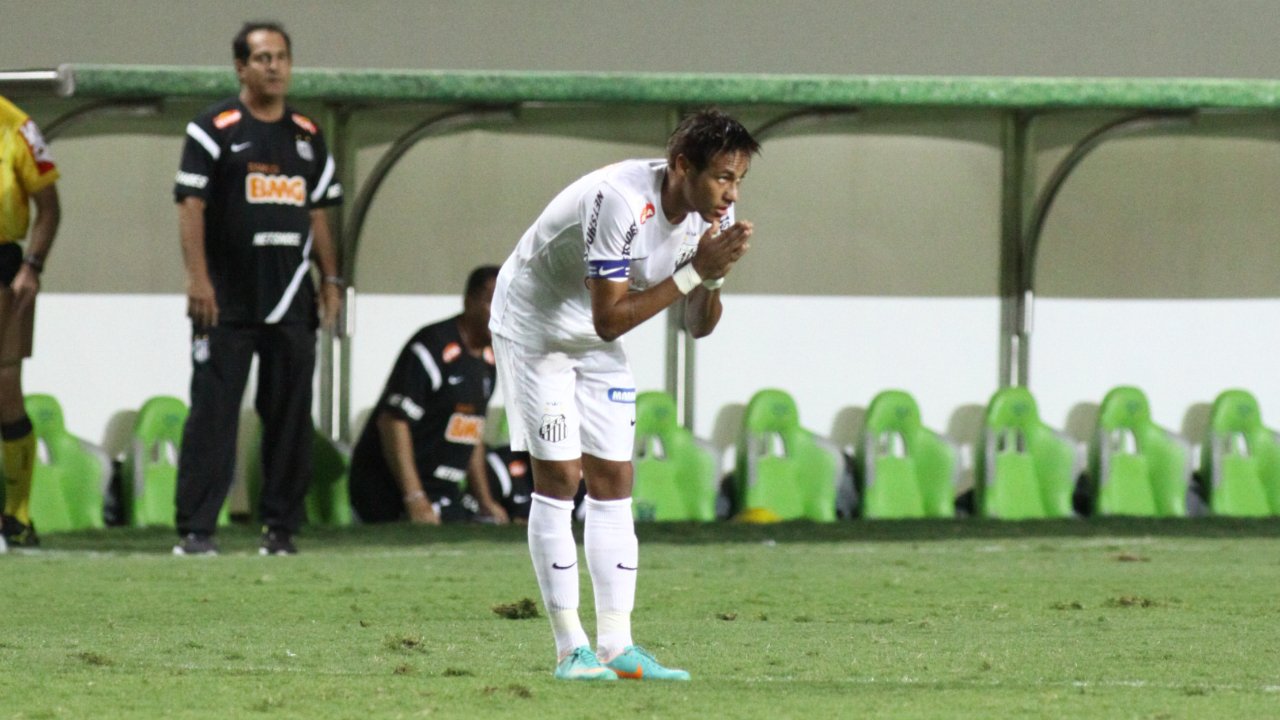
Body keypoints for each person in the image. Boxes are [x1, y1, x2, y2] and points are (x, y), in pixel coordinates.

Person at [489, 108, 760, 681]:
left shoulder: (716, 213)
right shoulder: (619, 200)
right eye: (721, 177)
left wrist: (711, 276)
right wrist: (693, 273)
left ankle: (617, 646)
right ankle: (571, 651)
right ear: (682, 165)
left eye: (738, 180)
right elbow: (611, 319)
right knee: (560, 477)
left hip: (592, 334)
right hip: (535, 327)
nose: (730, 193)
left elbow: (699, 325)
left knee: (614, 480)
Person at [171, 21, 343, 556]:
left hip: (293, 299)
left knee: (290, 418)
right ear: (241, 67)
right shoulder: (212, 129)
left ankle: (281, 530)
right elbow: (190, 206)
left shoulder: (309, 136)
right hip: (226, 301)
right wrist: (199, 279)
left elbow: (317, 213)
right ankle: (197, 531)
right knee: (213, 416)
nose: (274, 66)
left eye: (282, 57)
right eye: (263, 57)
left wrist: (331, 278)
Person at [348, 265, 510, 526]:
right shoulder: (431, 347)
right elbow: (393, 422)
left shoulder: (490, 361)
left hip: (442, 493)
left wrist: (485, 501)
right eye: (494, 302)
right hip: (389, 491)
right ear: (468, 301)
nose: (503, 314)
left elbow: (471, 433)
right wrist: (414, 497)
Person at [0, 96, 60, 550]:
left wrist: (32, 266)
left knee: (6, 389)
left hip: (4, 267)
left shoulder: (18, 127)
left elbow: (49, 207)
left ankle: (17, 516)